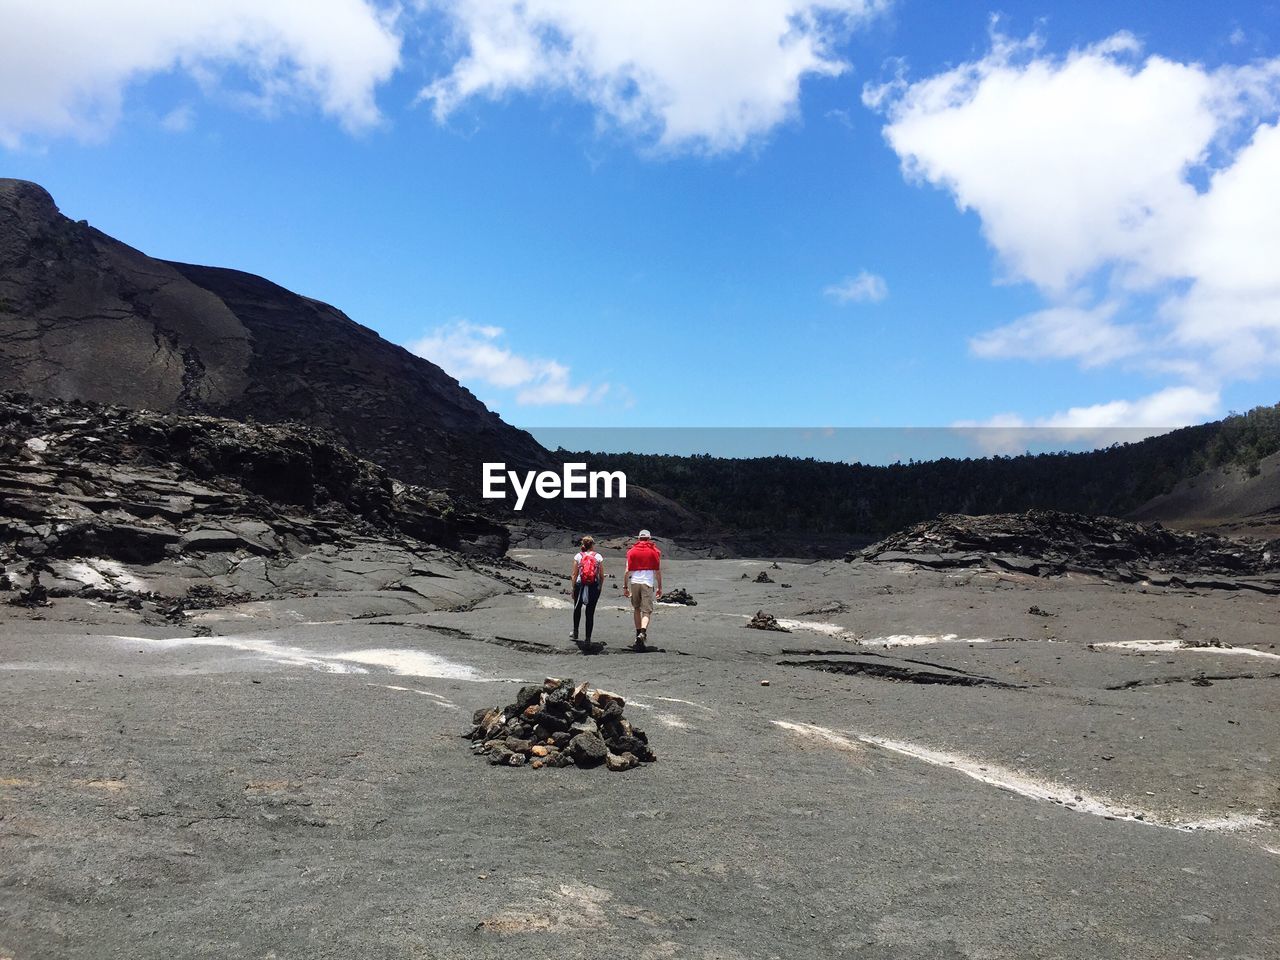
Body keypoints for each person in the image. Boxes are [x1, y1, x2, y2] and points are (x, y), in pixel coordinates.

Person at [623, 529, 662, 648]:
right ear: (649, 538)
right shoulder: (654, 552)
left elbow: (627, 571)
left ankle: (637, 634)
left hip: (634, 583)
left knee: (636, 608)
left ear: (639, 538)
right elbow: (658, 572)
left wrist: (625, 587)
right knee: (647, 611)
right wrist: (660, 587)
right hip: (647, 584)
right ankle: (643, 633)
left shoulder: (632, 552)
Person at [570, 535, 604, 646]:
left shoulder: (578, 556)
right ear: (592, 545)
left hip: (580, 584)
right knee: (590, 612)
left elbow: (574, 574)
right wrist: (600, 586)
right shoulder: (598, 556)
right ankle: (588, 639)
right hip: (593, 585)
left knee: (577, 608)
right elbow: (601, 575)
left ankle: (575, 632)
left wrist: (573, 587)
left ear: (583, 545)